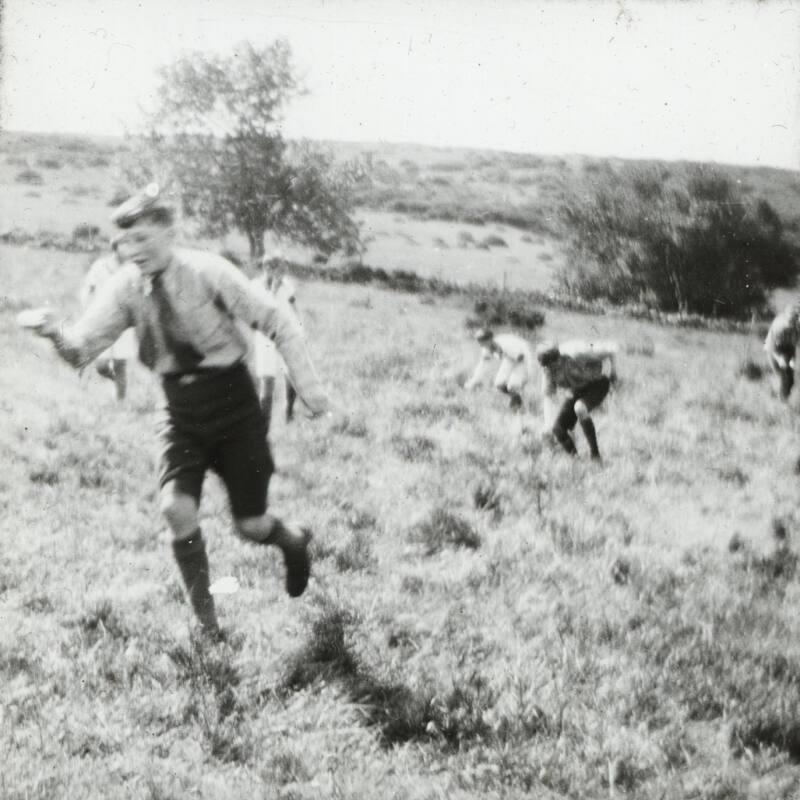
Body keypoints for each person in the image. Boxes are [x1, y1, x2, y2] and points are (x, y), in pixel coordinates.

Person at [23, 183, 332, 640]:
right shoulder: (125, 286)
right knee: (175, 508)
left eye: (143, 238)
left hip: (233, 402)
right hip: (178, 407)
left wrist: (309, 391)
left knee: (249, 525)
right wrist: (55, 334)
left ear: (170, 232)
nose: (133, 250)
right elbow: (83, 349)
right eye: (127, 242)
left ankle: (290, 540)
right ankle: (208, 626)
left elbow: (276, 321)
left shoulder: (208, 272)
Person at [535, 339, 618, 460]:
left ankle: (595, 456)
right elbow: (548, 396)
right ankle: (576, 460)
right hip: (577, 390)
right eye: (548, 367)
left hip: (597, 384)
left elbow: (611, 349)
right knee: (557, 429)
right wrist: (547, 423)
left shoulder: (576, 352)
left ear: (559, 358)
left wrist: (614, 372)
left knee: (580, 408)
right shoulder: (547, 370)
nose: (553, 370)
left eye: (554, 365)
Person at [79, 240, 137, 401]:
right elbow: (87, 290)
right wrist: (88, 309)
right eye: (125, 245)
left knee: (120, 364)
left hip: (123, 322)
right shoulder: (100, 266)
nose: (128, 250)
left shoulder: (131, 269)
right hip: (102, 320)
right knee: (101, 365)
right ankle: (114, 381)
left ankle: (120, 402)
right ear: (116, 247)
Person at [250, 250, 300, 431]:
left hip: (286, 335)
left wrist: (299, 328)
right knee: (267, 381)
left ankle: (289, 413)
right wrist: (273, 288)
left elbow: (294, 307)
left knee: (292, 374)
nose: (284, 272)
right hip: (266, 338)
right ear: (268, 268)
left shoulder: (286, 285)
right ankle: (264, 426)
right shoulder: (255, 285)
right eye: (280, 268)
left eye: (285, 268)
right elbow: (264, 309)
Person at [464, 328, 534, 410]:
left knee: (513, 385)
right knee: (499, 384)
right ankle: (516, 398)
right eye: (479, 341)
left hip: (521, 357)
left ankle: (518, 406)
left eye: (482, 341)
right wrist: (473, 381)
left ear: (490, 339)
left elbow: (520, 357)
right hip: (509, 358)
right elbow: (482, 366)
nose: (480, 344)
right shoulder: (486, 349)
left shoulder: (504, 344)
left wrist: (518, 377)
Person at [764, 301, 800, 400]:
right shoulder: (779, 327)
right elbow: (772, 348)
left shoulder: (796, 328)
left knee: (791, 378)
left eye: (795, 319)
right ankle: (780, 399)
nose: (793, 322)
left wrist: (792, 360)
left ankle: (784, 398)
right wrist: (780, 359)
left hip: (788, 349)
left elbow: (793, 346)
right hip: (774, 350)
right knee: (783, 376)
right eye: (792, 320)